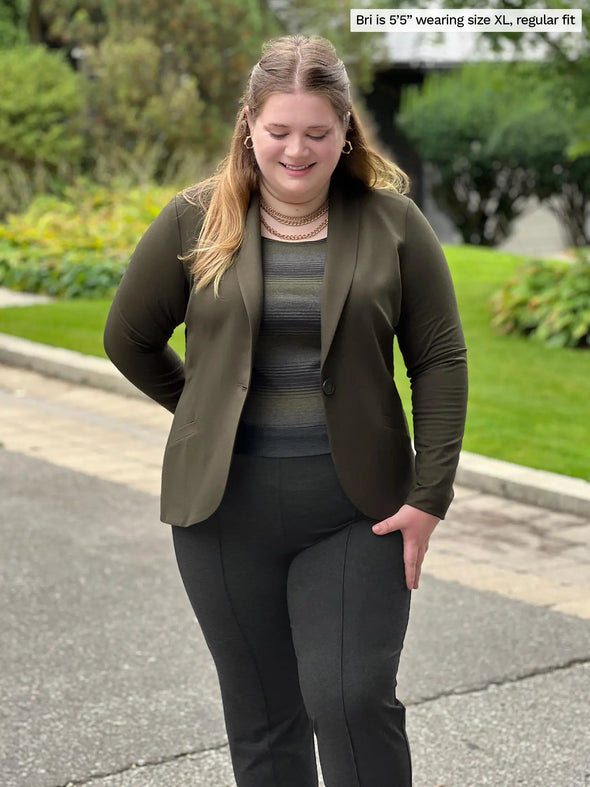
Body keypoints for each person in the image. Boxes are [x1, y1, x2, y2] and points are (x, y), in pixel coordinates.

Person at [104, 34, 468, 787]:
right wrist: (204, 414)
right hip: (222, 517)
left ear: (345, 133)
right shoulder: (194, 219)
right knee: (263, 718)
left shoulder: (395, 225)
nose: (296, 150)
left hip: (356, 513)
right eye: (278, 131)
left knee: (350, 699)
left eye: (317, 133)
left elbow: (439, 360)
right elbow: (129, 337)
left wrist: (428, 496)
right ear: (248, 125)